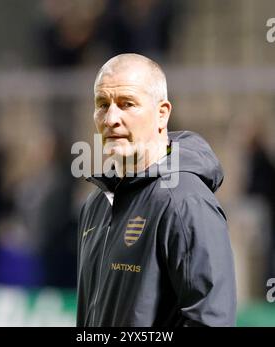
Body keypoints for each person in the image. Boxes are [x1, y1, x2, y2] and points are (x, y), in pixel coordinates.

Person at [76, 53, 236, 327]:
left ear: (162, 114)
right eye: (102, 104)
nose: (111, 118)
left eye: (127, 104)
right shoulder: (96, 204)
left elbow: (211, 321)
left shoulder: (186, 201)